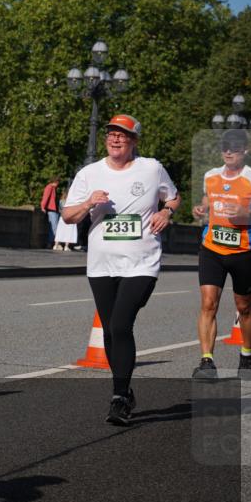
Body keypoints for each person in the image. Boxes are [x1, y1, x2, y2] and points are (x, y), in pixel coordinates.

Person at [62, 114, 180, 426]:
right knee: (113, 330)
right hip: (101, 265)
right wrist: (89, 202)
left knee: (121, 324)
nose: (115, 139)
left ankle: (117, 398)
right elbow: (68, 216)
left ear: (134, 141)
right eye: (111, 134)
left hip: (142, 262)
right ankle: (125, 390)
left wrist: (167, 211)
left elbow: (174, 197)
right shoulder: (90, 173)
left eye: (123, 135)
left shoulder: (152, 168)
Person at [191, 128, 251, 378]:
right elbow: (208, 201)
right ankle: (207, 361)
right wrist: (202, 208)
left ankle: (247, 352)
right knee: (209, 303)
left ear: (244, 150)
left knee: (244, 306)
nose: (228, 151)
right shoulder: (211, 175)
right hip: (211, 248)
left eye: (234, 147)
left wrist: (246, 215)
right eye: (224, 147)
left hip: (243, 251)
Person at [53, 186, 79, 251]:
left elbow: (59, 210)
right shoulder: (72, 201)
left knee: (60, 231)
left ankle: (56, 245)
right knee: (69, 232)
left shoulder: (61, 201)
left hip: (62, 217)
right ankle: (66, 246)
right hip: (70, 216)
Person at [41, 176, 61, 248]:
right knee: (54, 227)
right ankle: (52, 243)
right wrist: (43, 207)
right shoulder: (49, 187)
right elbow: (45, 197)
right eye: (58, 182)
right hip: (51, 210)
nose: (58, 184)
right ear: (55, 181)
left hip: (54, 210)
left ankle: (51, 243)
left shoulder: (53, 188)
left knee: (53, 227)